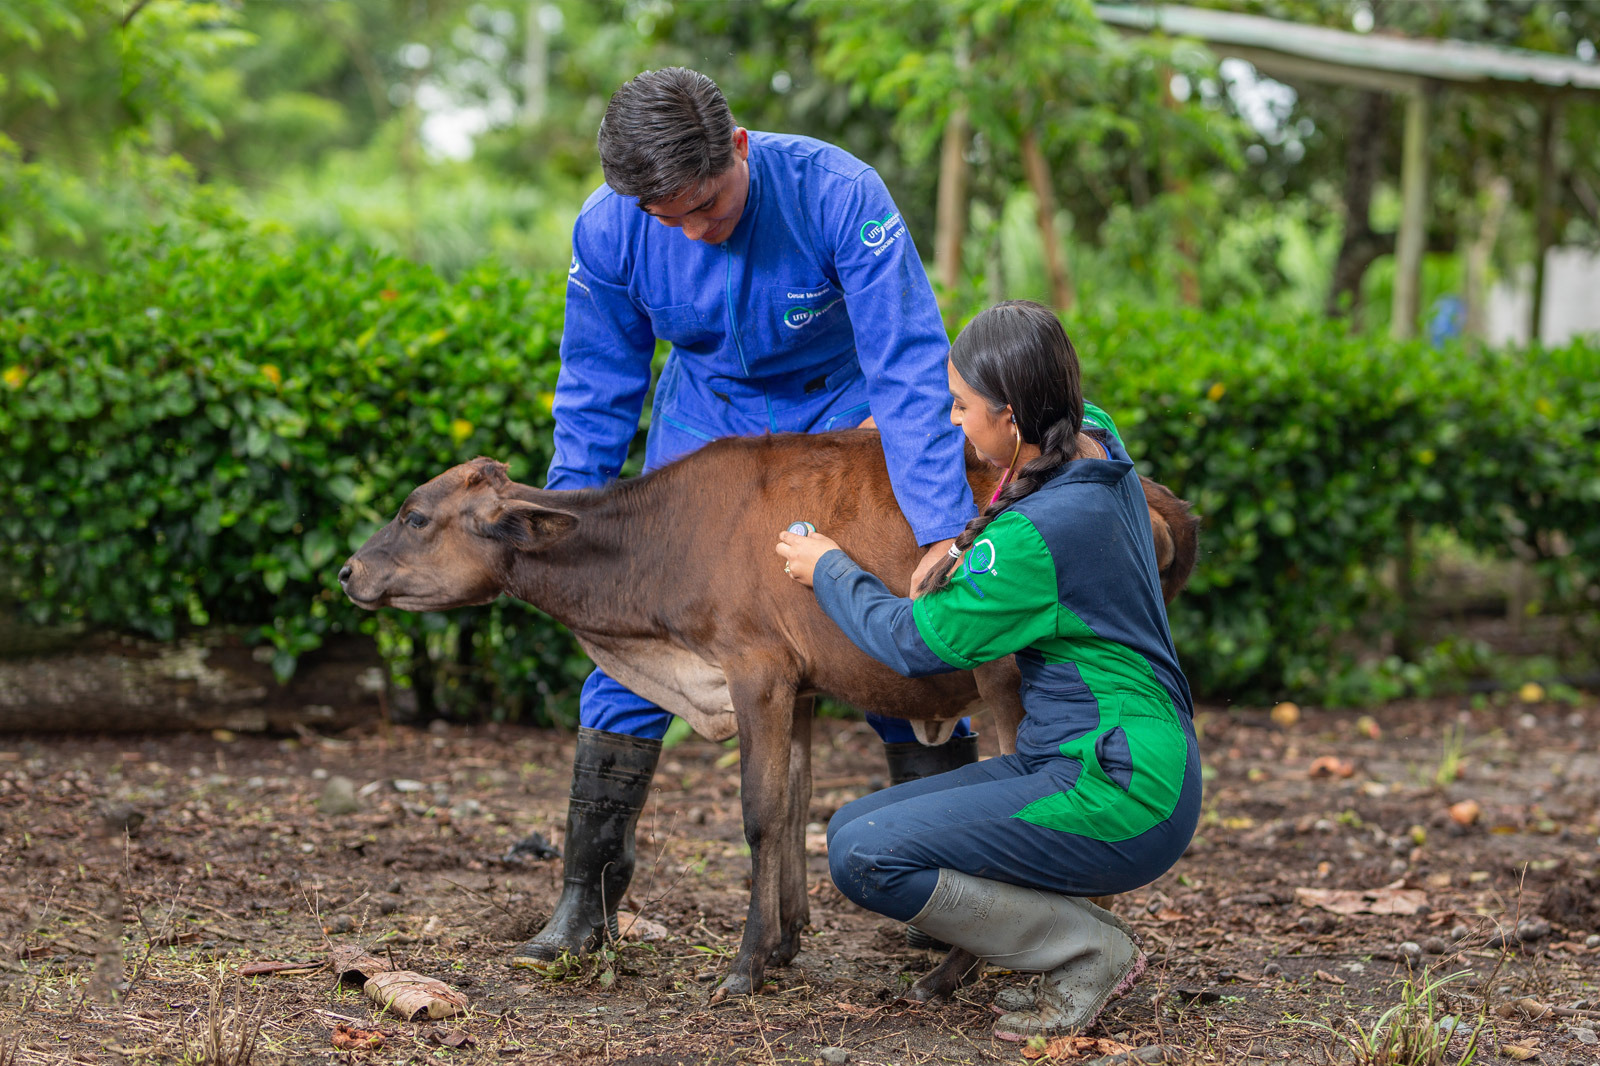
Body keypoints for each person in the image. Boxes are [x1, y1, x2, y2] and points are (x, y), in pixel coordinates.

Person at [515, 67, 984, 967]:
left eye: (709, 207)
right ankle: (586, 899)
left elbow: (908, 362)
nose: (694, 231)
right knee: (632, 648)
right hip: (706, 436)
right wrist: (570, 540)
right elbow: (596, 390)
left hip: (843, 426)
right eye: (670, 219)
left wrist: (937, 531)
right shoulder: (610, 225)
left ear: (738, 149)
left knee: (890, 640)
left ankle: (948, 904)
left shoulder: (841, 194)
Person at [774, 301, 1201, 1040]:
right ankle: (1074, 935)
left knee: (866, 857)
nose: (953, 423)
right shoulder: (1096, 440)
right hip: (1096, 759)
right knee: (856, 828)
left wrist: (831, 566)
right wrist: (927, 491)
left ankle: (1087, 948)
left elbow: (911, 642)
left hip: (1122, 789)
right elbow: (1035, 449)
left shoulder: (1038, 538)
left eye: (962, 407)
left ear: (1011, 416)